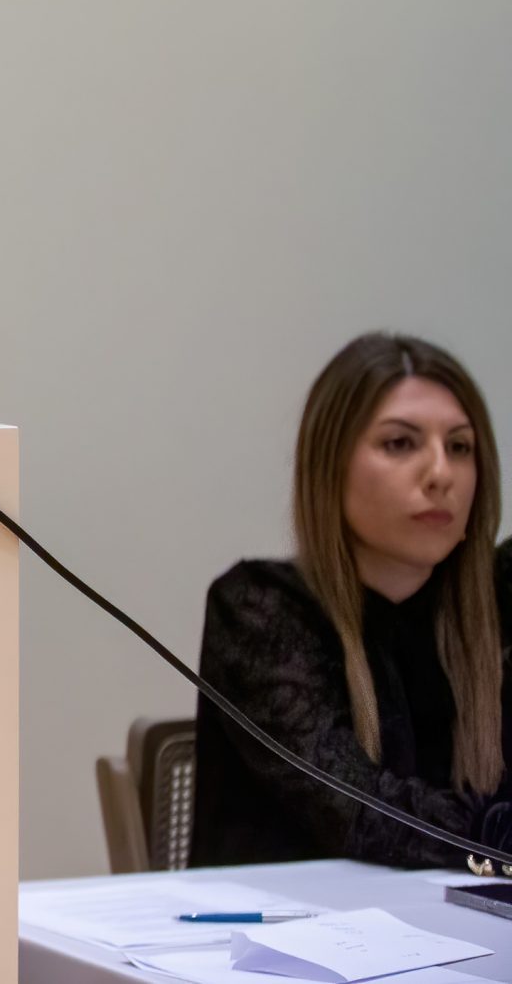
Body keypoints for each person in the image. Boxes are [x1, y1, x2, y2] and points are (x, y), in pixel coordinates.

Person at [191, 332, 512, 867]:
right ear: (329, 467)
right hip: (292, 919)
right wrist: (494, 832)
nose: (441, 474)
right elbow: (360, 814)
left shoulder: (497, 600)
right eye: (400, 443)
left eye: (460, 447)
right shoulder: (260, 608)